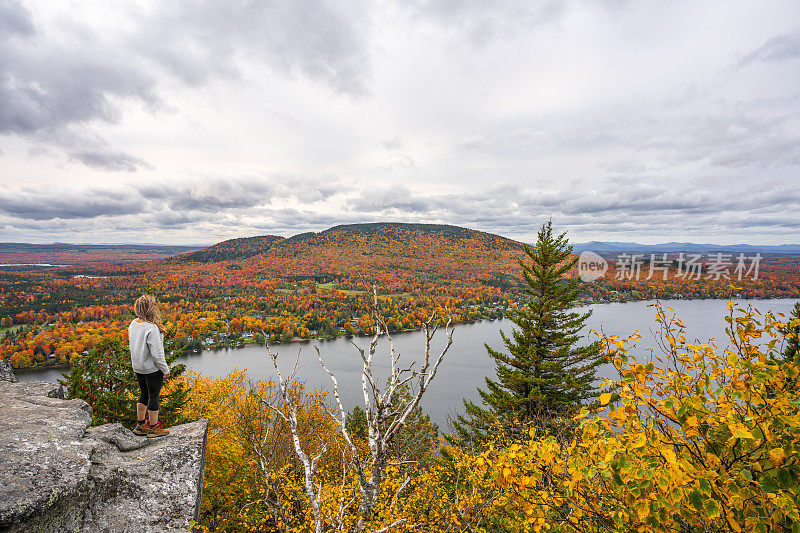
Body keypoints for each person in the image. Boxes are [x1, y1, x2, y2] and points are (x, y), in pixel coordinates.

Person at [128, 294, 171, 438]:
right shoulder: (152, 329)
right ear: (151, 309)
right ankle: (154, 428)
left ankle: (141, 425)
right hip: (151, 369)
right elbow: (157, 355)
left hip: (138, 366)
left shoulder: (133, 324)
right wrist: (165, 370)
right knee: (154, 396)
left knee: (143, 393)